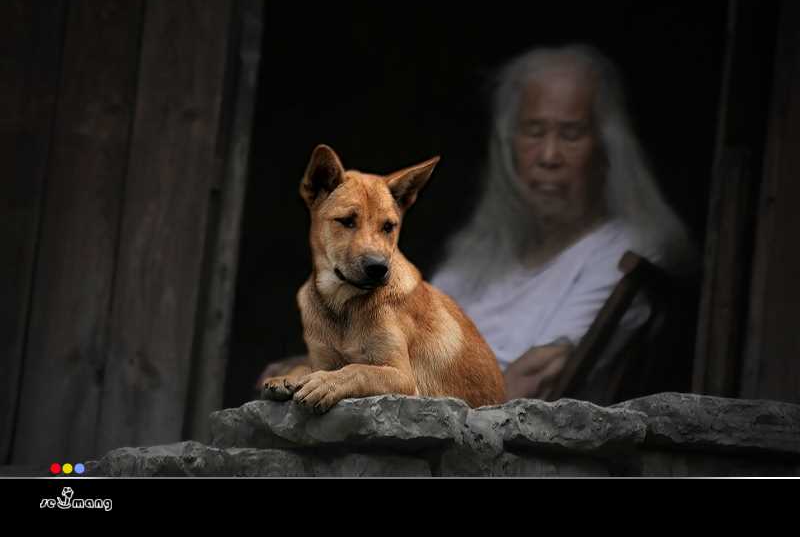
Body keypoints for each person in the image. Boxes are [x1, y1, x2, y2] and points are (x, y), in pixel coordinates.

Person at [258, 43, 695, 401]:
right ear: (507, 145)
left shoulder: (624, 252)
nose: (549, 156)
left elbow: (531, 386)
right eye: (534, 131)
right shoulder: (476, 254)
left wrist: (343, 377)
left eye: (571, 132)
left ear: (606, 146)